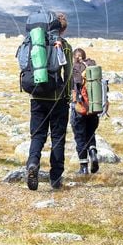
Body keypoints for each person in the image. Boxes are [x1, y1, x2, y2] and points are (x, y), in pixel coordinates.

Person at [26, 12, 73, 190]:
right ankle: (55, 178)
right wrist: (67, 96)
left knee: (37, 135)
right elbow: (68, 75)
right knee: (58, 138)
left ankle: (32, 163)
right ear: (63, 29)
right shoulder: (65, 46)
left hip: (37, 97)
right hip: (57, 99)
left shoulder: (34, 43)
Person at [70, 47, 104, 174]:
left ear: (74, 57)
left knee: (80, 137)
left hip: (79, 108)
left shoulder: (75, 68)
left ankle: (83, 167)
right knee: (90, 134)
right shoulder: (92, 66)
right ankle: (93, 152)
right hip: (94, 108)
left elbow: (72, 86)